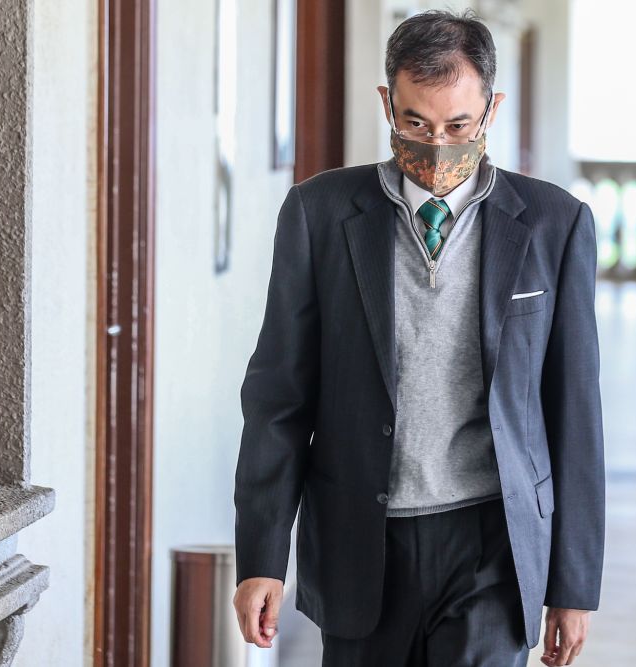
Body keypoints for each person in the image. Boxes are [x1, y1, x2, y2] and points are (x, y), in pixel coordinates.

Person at [232, 9, 605, 666]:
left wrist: (572, 585)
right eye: (416, 123)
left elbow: (573, 410)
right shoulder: (319, 215)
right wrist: (261, 556)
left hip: (494, 539)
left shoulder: (555, 225)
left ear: (492, 109)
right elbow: (279, 396)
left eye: (458, 125)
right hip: (360, 543)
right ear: (387, 102)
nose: (437, 145)